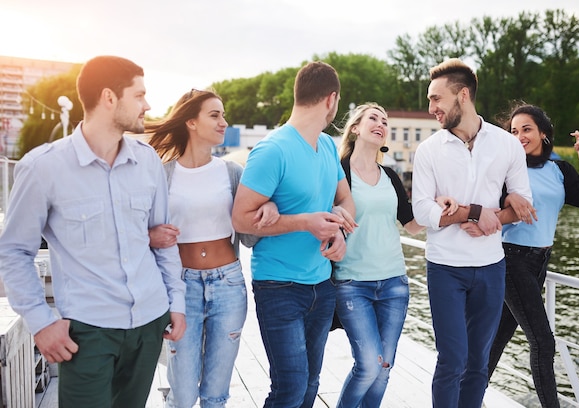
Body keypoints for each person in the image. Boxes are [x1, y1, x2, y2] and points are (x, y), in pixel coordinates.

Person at [0, 55, 186, 407]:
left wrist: (176, 302)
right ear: (109, 98)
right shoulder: (43, 168)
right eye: (139, 95)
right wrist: (41, 322)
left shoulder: (147, 162)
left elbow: (163, 241)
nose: (147, 105)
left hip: (149, 323)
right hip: (88, 332)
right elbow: (14, 252)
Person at [231, 61, 356, 408]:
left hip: (321, 285)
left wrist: (341, 228)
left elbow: (345, 199)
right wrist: (304, 222)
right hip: (279, 286)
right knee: (289, 388)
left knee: (310, 384)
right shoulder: (272, 150)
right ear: (331, 100)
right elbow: (241, 218)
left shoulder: (329, 147)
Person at [411, 58, 534, 408]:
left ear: (462, 95)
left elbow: (523, 203)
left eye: (437, 99)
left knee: (479, 363)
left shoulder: (506, 144)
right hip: (444, 267)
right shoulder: (428, 150)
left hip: (492, 267)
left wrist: (499, 213)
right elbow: (423, 211)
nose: (431, 107)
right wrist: (476, 212)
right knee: (452, 360)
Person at [145, 89, 278, 408]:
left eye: (223, 115)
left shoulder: (232, 173)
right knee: (184, 395)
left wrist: (269, 206)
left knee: (216, 395)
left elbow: (249, 223)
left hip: (228, 286)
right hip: (181, 289)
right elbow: (139, 229)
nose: (224, 122)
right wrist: (150, 235)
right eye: (215, 115)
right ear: (191, 121)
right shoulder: (163, 174)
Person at [333, 102, 458, 408]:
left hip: (393, 284)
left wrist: (436, 204)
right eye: (373, 118)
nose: (381, 124)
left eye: (385, 121)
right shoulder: (338, 172)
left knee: (383, 368)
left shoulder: (389, 175)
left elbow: (412, 225)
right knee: (368, 366)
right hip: (352, 283)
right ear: (355, 128)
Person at [487, 104, 579, 407]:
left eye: (526, 129)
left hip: (540, 262)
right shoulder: (508, 169)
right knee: (543, 341)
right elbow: (490, 212)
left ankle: (466, 398)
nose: (519, 136)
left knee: (498, 337)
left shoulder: (558, 168)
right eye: (513, 131)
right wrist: (512, 207)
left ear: (543, 133)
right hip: (512, 259)